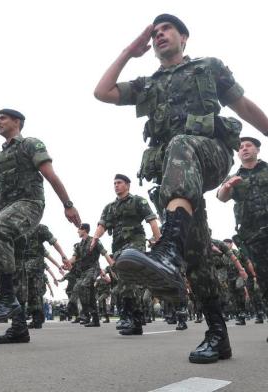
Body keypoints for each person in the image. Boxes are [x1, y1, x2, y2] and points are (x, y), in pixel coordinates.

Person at [94, 14, 268, 363]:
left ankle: (167, 248)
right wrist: (131, 49)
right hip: (176, 179)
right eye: (154, 32)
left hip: (209, 152)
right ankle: (217, 334)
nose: (159, 35)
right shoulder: (149, 83)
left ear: (184, 37)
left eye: (165, 30)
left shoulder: (208, 67)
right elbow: (103, 92)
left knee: (180, 144)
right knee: (197, 255)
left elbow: (243, 106)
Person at [0, 108, 81, 344]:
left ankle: (6, 299)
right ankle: (18, 329)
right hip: (9, 211)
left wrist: (68, 204)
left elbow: (49, 173)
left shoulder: (30, 144)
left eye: (2, 118)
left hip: (29, 204)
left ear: (17, 122)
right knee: (13, 269)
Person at [91, 174, 160, 335]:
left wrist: (158, 240)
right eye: (114, 183)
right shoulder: (109, 207)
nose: (116, 185)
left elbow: (152, 220)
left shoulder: (138, 201)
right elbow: (102, 225)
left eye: (119, 183)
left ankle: (127, 316)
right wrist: (95, 237)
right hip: (119, 247)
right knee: (124, 282)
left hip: (135, 244)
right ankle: (136, 322)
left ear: (127, 185)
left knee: (128, 278)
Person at [218, 137, 268, 339]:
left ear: (257, 149)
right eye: (240, 147)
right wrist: (228, 185)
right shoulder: (233, 176)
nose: (244, 149)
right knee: (264, 279)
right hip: (252, 234)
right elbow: (221, 197)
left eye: (248, 145)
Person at [67, 223, 113, 327]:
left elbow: (104, 253)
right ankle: (94, 318)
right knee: (80, 289)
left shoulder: (94, 240)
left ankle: (84, 314)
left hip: (94, 268)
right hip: (84, 271)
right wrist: (66, 264)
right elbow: (73, 259)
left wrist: (112, 265)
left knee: (84, 286)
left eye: (79, 229)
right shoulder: (79, 245)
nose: (77, 231)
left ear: (84, 230)